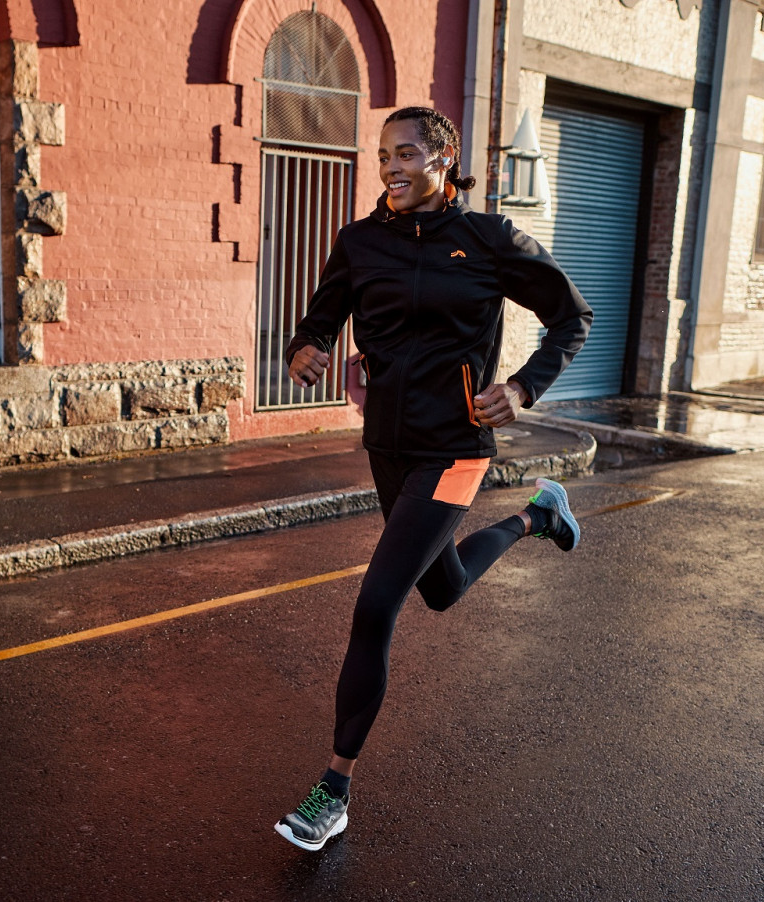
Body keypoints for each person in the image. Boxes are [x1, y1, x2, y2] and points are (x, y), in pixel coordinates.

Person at [273, 106, 592, 852]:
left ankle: (334, 789)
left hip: (456, 448)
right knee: (441, 588)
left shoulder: (487, 240)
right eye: (384, 154)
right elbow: (322, 317)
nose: (391, 166)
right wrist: (307, 346)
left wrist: (522, 389)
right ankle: (537, 518)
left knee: (376, 606)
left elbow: (572, 316)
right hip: (388, 446)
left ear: (443, 157)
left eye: (407, 152)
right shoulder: (359, 242)